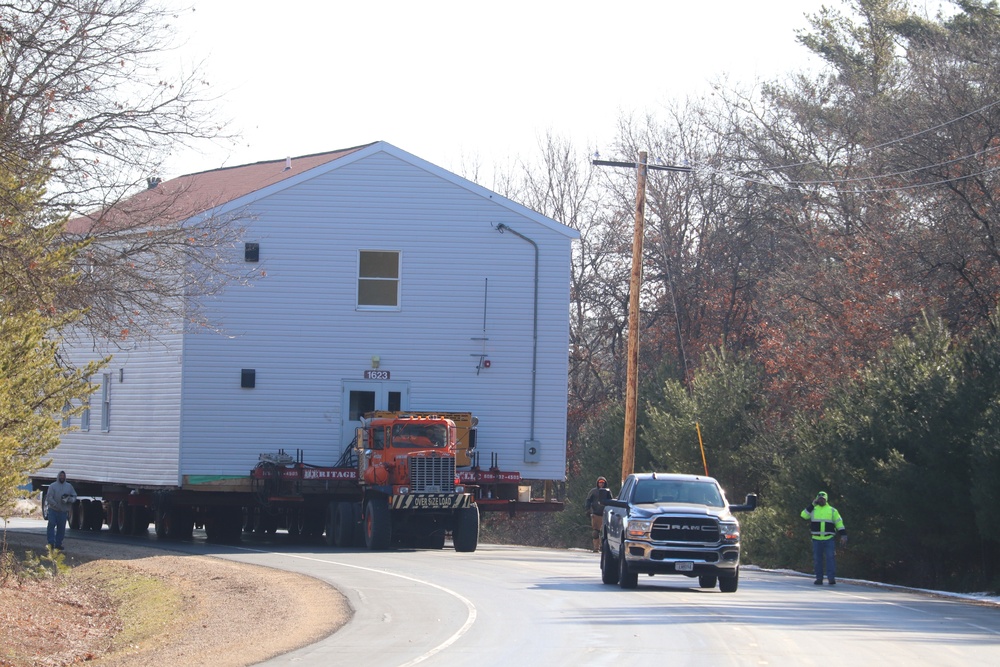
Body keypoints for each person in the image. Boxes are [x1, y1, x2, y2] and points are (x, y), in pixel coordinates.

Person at [801, 491, 847, 585]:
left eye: (823, 499)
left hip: (828, 538)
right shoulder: (813, 509)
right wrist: (812, 504)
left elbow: (839, 523)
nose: (821, 500)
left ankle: (831, 578)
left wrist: (843, 535)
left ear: (826, 499)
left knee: (830, 558)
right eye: (819, 499)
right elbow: (803, 515)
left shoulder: (832, 510)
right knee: (818, 560)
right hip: (816, 539)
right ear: (817, 499)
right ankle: (819, 578)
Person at [45, 471, 77, 551]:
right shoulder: (53, 486)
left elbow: (74, 496)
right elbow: (49, 497)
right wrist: (55, 504)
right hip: (53, 510)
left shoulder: (69, 486)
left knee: (61, 528)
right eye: (61, 476)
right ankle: (51, 543)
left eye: (63, 476)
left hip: (63, 511)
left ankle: (58, 544)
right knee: (51, 525)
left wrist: (69, 499)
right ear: (58, 476)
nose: (62, 477)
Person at [584, 476, 613, 552]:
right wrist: (587, 510)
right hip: (596, 514)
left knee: (605, 533)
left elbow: (611, 502)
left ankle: (604, 548)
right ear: (597, 483)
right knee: (595, 532)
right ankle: (596, 548)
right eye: (600, 482)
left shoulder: (607, 491)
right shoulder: (593, 491)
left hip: (605, 514)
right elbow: (588, 501)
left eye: (603, 482)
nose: (601, 484)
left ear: (605, 483)